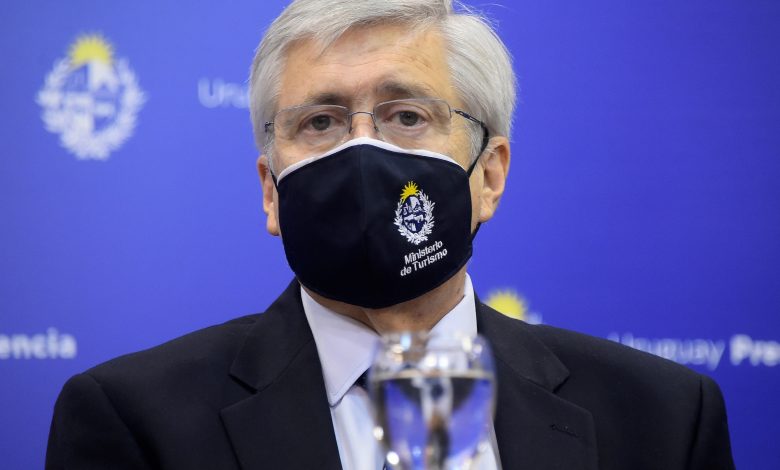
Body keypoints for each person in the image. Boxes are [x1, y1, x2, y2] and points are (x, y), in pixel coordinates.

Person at [46, 1, 735, 469]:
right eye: (320, 122)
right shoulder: (135, 421)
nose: (362, 151)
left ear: (489, 174)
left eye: (407, 116)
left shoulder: (662, 418)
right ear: (270, 190)